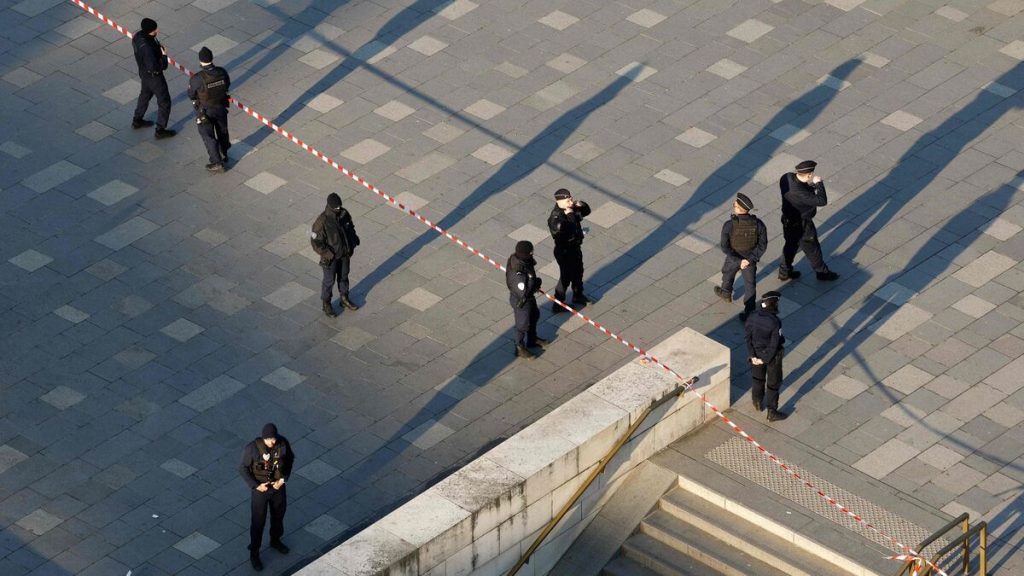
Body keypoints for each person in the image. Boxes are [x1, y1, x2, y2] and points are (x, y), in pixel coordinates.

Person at [239, 423, 294, 571]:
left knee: (278, 516)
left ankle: (275, 540)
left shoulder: (282, 443)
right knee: (258, 522)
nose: (273, 442)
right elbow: (243, 468)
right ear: (264, 438)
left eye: (274, 438)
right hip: (260, 490)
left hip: (277, 488)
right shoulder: (252, 448)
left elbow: (289, 460)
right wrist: (256, 486)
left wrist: (282, 480)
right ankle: (254, 553)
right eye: (269, 439)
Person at [779, 160, 838, 281]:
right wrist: (819, 184)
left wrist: (810, 186)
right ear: (809, 175)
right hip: (802, 224)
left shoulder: (786, 177)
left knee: (790, 246)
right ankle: (822, 273)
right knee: (812, 249)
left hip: (787, 221)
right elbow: (822, 201)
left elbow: (802, 189)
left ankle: (784, 271)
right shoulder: (801, 193)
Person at [713, 192, 767, 320]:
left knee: (727, 273)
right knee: (750, 286)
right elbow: (762, 245)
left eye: (734, 205)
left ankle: (726, 293)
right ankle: (749, 313)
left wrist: (738, 260)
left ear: (738, 209)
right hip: (750, 259)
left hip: (733, 257)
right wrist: (750, 260)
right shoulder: (758, 224)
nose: (734, 206)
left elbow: (725, 246)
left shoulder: (729, 225)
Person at [311, 193, 360, 317]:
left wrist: (354, 241)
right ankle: (326, 303)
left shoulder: (344, 214)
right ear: (330, 206)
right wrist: (328, 254)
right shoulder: (322, 222)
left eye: (340, 206)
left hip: (344, 254)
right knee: (329, 281)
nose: (339, 209)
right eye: (336, 207)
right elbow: (316, 242)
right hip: (330, 259)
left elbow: (350, 228)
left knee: (344, 276)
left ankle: (344, 298)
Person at [744, 292, 789, 422]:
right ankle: (772, 412)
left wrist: (753, 356)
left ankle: (757, 401)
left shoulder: (752, 316)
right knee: (773, 383)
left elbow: (748, 338)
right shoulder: (774, 322)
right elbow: (775, 344)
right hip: (771, 357)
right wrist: (765, 358)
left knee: (757, 379)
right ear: (773, 304)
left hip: (756, 354)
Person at [187, 46, 231, 172]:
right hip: (221, 106)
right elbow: (227, 85)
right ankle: (224, 153)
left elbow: (191, 94)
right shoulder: (222, 72)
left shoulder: (198, 78)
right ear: (212, 58)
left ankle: (217, 162)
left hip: (205, 110)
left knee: (208, 136)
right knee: (222, 131)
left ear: (200, 61)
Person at [547, 188, 591, 313]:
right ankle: (558, 304)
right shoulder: (556, 217)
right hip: (564, 251)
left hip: (575, 247)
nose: (570, 202)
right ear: (559, 201)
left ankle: (578, 295)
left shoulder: (571, 208)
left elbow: (586, 211)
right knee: (565, 277)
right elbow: (567, 229)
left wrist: (581, 204)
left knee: (578, 271)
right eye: (568, 200)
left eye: (571, 199)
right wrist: (570, 214)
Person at [131, 18, 175, 139]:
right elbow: (155, 67)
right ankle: (160, 130)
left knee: (145, 95)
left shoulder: (138, 36)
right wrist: (164, 56)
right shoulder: (148, 48)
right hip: (154, 77)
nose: (157, 30)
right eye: (155, 29)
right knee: (164, 101)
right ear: (150, 31)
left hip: (143, 73)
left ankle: (137, 119)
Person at [506, 240, 548, 359]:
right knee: (522, 325)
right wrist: (534, 284)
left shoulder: (524, 261)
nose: (532, 254)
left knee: (534, 315)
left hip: (528, 297)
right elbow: (522, 291)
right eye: (530, 252)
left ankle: (532, 339)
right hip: (521, 300)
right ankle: (519, 347)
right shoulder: (517, 272)